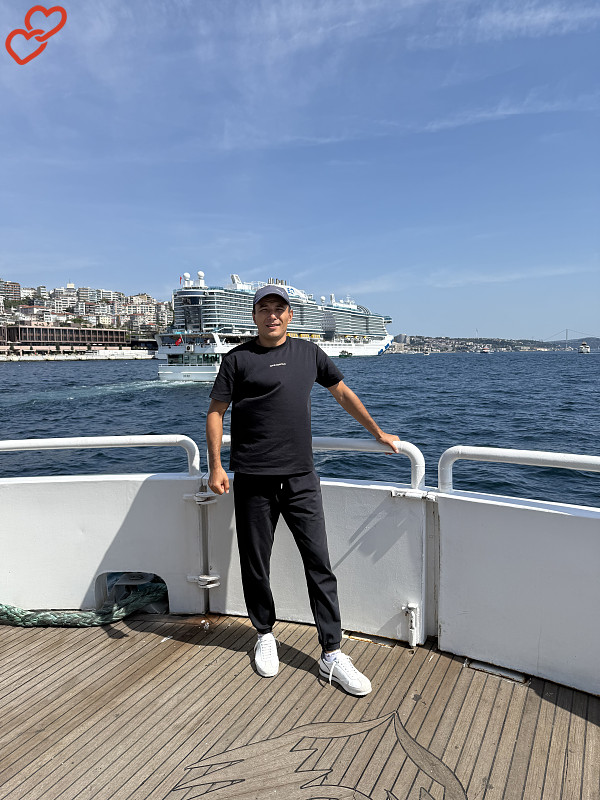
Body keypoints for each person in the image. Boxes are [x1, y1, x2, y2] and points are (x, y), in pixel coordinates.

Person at [206, 284, 400, 696]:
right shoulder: (236, 358)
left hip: (300, 478)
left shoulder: (309, 353)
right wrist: (216, 466)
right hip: (252, 477)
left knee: (319, 563)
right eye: (264, 309)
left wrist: (377, 431)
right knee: (256, 563)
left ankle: (332, 651)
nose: (272, 315)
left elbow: (342, 393)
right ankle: (264, 634)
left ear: (290, 315)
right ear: (254, 316)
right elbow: (216, 412)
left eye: (279, 308)